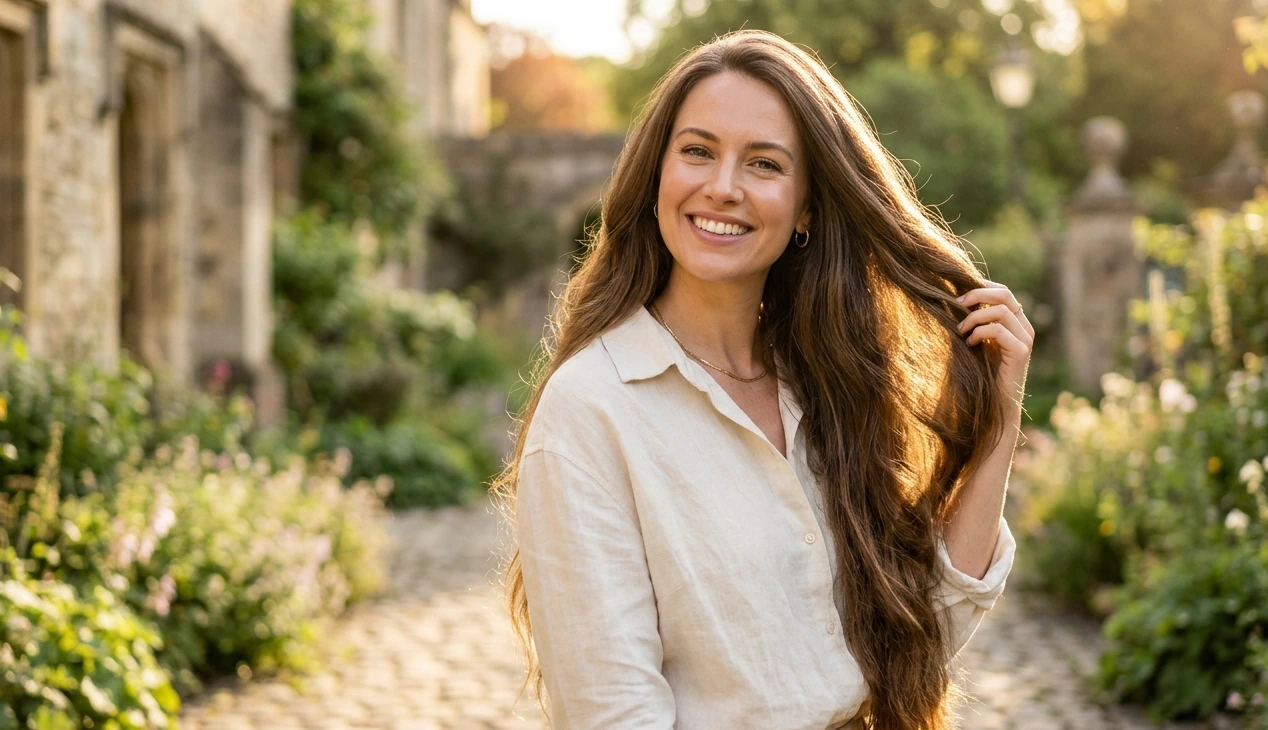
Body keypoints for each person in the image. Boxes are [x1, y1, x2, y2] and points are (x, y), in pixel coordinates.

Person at [491, 29, 1033, 730]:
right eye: (697, 151)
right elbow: (613, 715)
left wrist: (999, 421)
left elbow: (918, 638)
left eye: (764, 164)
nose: (722, 187)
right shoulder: (592, 410)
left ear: (807, 206)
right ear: (658, 174)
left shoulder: (832, 383)